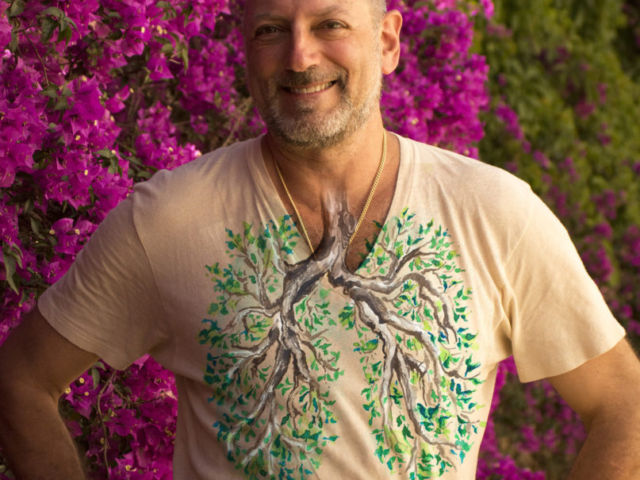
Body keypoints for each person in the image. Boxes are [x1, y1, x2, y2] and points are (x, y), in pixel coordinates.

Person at [1, 0, 640, 478]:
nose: (301, 57)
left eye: (330, 24)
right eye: (272, 29)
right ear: (245, 48)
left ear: (387, 41)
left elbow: (623, 403)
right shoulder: (168, 220)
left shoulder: (496, 214)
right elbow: (21, 378)